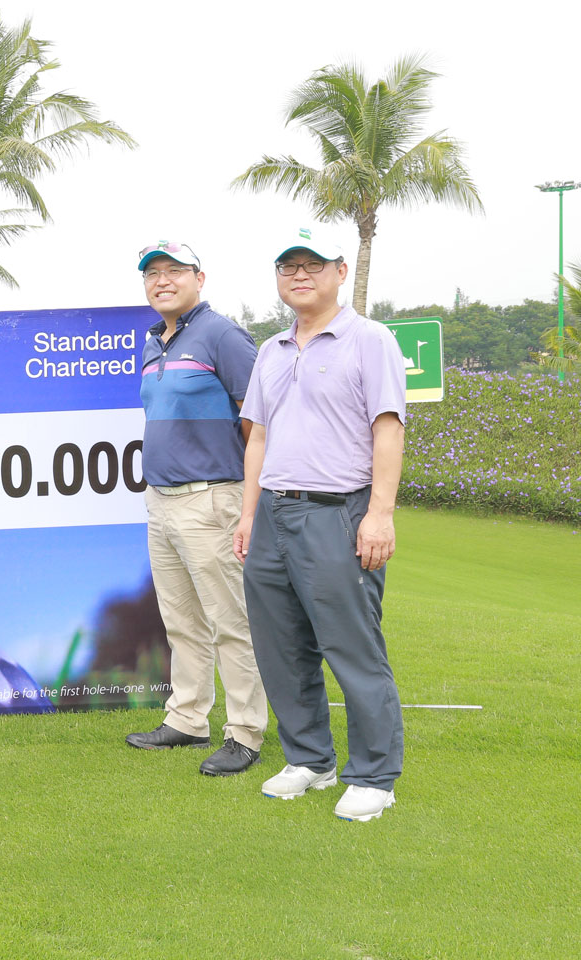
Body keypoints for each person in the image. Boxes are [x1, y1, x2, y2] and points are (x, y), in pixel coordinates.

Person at [233, 226, 407, 822]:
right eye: (289, 266)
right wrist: (248, 515)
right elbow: (257, 437)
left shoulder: (370, 339)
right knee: (280, 646)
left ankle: (375, 775)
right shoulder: (270, 350)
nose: (300, 275)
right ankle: (310, 760)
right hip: (273, 513)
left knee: (351, 646)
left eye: (313, 264)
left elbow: (388, 428)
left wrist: (379, 514)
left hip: (339, 512)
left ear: (339, 271)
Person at [126, 241, 267, 776]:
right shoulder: (154, 343)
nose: (162, 281)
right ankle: (187, 717)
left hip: (212, 499)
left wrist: (249, 504)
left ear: (199, 278)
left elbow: (261, 421)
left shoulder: (222, 335)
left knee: (231, 622)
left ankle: (245, 731)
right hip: (161, 501)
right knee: (181, 620)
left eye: (174, 271)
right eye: (152, 274)